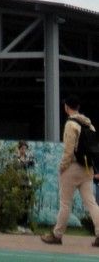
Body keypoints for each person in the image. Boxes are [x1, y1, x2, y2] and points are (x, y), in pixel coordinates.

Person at [41, 95, 99, 247]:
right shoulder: (89, 125)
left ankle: (57, 235)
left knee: (65, 203)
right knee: (91, 203)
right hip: (87, 168)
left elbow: (68, 150)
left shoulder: (70, 124)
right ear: (78, 107)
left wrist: (62, 167)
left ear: (66, 107)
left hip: (72, 167)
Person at [14, 139, 35, 231]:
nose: (24, 150)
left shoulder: (28, 158)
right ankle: (18, 224)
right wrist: (20, 159)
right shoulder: (16, 158)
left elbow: (32, 166)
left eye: (25, 148)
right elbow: (16, 166)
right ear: (19, 149)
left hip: (27, 183)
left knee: (26, 204)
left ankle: (25, 224)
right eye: (22, 148)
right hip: (19, 183)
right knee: (20, 204)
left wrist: (30, 161)